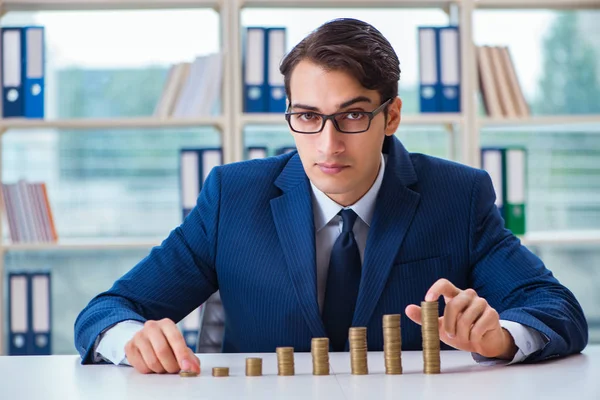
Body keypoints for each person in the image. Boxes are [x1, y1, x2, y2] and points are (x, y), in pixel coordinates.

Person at [74, 18, 588, 375]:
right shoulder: (234, 196)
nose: (327, 143)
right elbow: (106, 310)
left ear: (391, 116)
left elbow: (556, 308)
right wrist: (129, 338)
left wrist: (501, 339)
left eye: (352, 115)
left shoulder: (456, 197)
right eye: (307, 116)